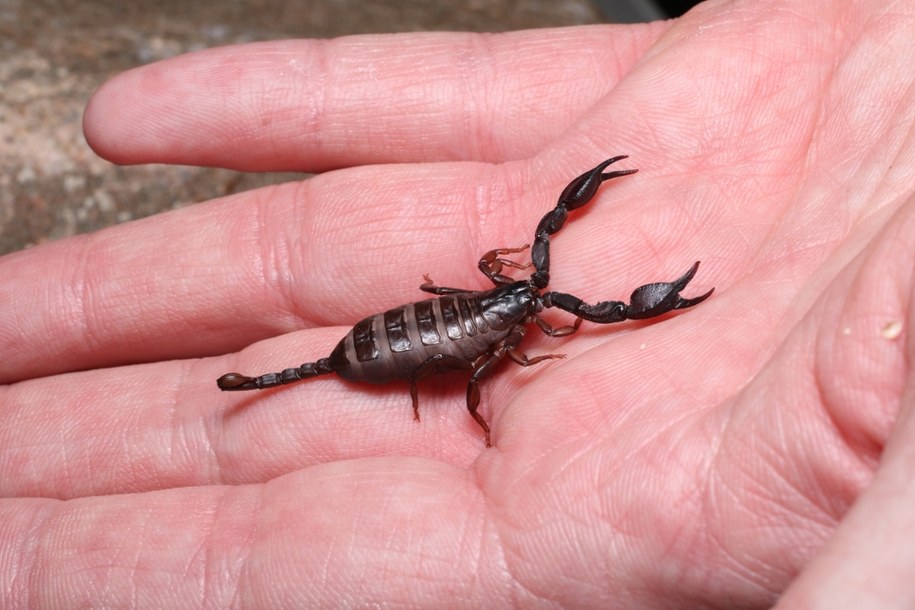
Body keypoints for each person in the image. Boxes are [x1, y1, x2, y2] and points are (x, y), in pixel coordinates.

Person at [1, 1, 913, 607]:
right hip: (394, 347)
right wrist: (509, 340)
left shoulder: (513, 308)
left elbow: (491, 324)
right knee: (461, 341)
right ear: (513, 283)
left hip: (401, 341)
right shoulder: (522, 321)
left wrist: (504, 313)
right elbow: (487, 365)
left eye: (523, 283)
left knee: (452, 337)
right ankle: (297, 372)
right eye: (521, 278)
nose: (531, 285)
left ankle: (302, 369)